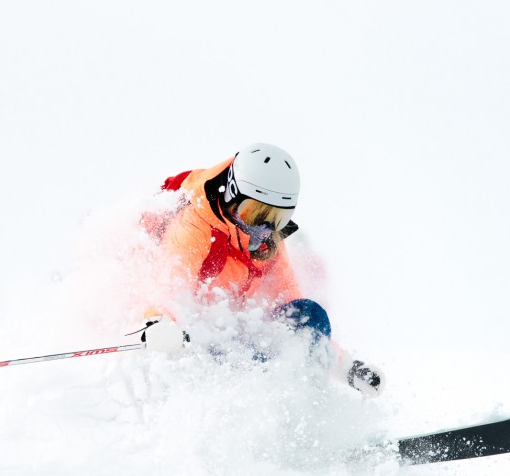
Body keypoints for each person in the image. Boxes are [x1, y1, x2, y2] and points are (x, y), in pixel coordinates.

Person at [138, 143, 383, 398]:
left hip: (242, 345)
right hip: (199, 344)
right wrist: (159, 323)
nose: (263, 227)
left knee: (309, 313)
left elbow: (297, 317)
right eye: (254, 212)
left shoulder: (269, 243)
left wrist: (347, 367)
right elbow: (165, 285)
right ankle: (253, 422)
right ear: (232, 194)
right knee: (241, 359)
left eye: (277, 217)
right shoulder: (195, 226)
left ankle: (308, 412)